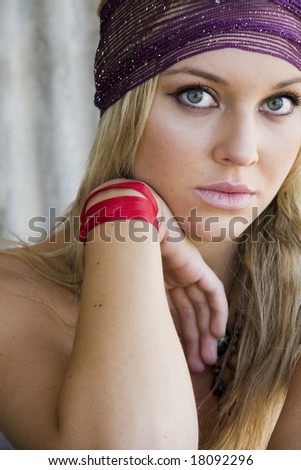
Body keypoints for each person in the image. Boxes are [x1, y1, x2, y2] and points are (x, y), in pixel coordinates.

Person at [0, 0, 300, 450]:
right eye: (196, 95)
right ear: (126, 108)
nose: (242, 150)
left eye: (280, 102)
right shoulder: (13, 293)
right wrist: (122, 216)